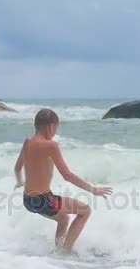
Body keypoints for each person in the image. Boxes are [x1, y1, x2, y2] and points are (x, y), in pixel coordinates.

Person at [14, 108, 113, 253]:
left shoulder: (27, 142)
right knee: (85, 211)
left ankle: (58, 252)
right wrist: (93, 190)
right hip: (44, 200)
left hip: (28, 200)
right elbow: (67, 175)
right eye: (56, 129)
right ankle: (66, 252)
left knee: (64, 219)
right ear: (51, 126)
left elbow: (17, 168)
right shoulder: (51, 145)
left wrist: (20, 182)